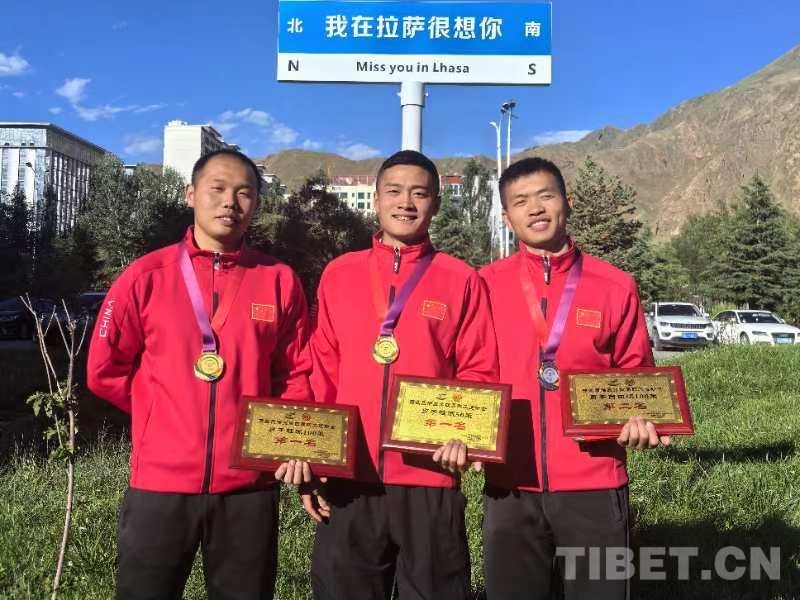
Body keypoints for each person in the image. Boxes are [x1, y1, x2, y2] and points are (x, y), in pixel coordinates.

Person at [87, 149, 311, 599]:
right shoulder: (146, 275)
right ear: (190, 194)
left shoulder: (278, 280)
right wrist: (161, 412)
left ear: (256, 204)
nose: (230, 202)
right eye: (218, 189)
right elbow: (104, 369)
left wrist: (287, 442)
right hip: (160, 484)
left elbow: (295, 373)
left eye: (244, 193)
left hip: (248, 486)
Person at [300, 150, 499, 600]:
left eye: (419, 193)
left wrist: (465, 436)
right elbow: (322, 369)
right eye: (394, 191)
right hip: (350, 476)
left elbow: (478, 369)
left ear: (436, 204)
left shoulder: (461, 279)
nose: (406, 202)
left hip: (429, 474)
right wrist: (315, 458)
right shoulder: (339, 273)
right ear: (376, 199)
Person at [478, 157, 670, 600]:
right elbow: (471, 372)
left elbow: (637, 373)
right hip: (510, 486)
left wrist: (642, 419)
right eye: (520, 202)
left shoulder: (614, 284)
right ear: (507, 218)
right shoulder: (484, 285)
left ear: (567, 202)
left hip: (595, 482)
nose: (535, 209)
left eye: (545, 196)